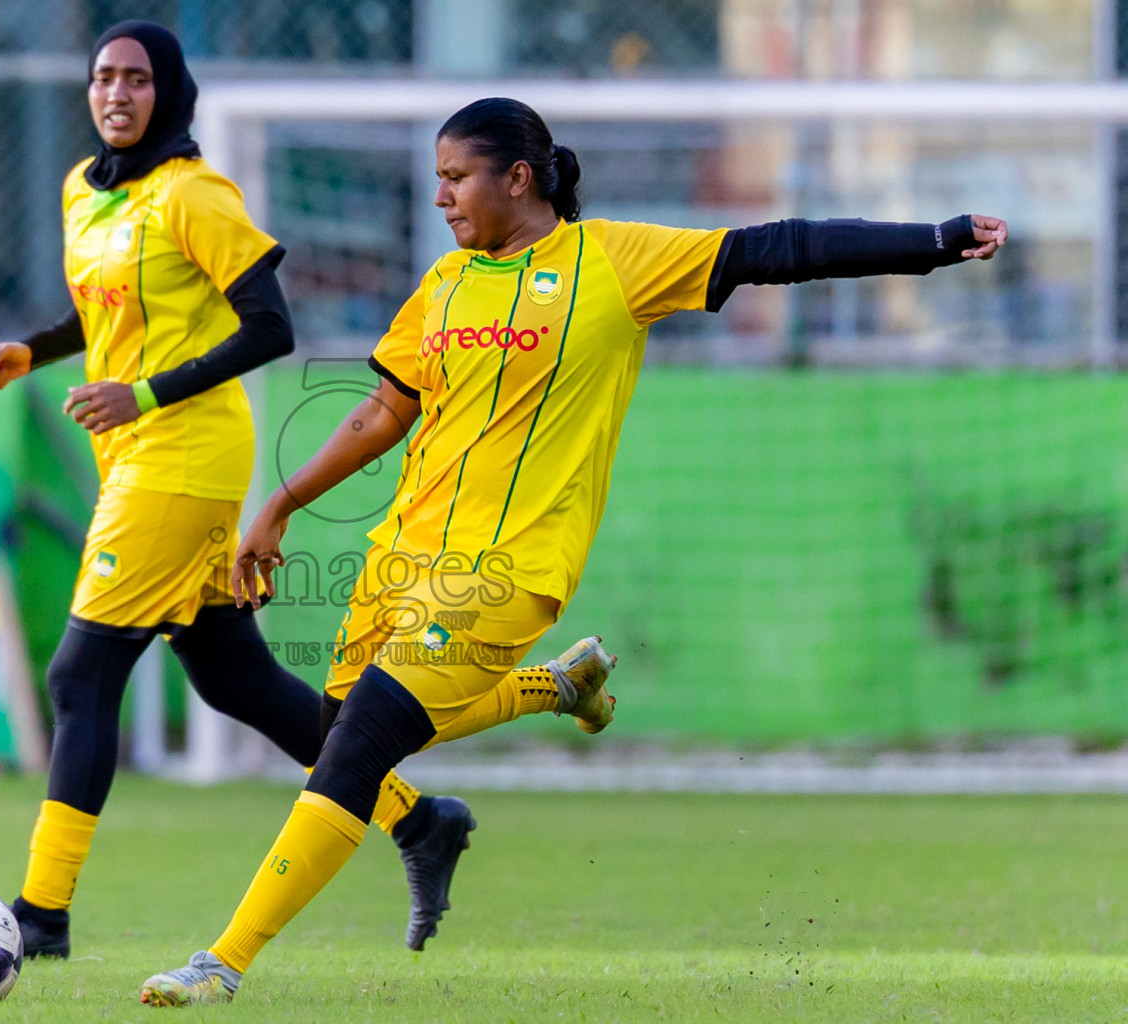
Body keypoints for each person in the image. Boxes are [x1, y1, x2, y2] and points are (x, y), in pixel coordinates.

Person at [138, 96, 1008, 1006]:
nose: (440, 197)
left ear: (519, 178)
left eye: (456, 177)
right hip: (401, 560)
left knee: (354, 756)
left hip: (508, 573)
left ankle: (220, 965)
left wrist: (933, 240)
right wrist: (280, 504)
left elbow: (778, 248)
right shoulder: (444, 283)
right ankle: (557, 687)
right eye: (436, 179)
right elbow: (384, 411)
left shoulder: (613, 263)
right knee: (340, 738)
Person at [0, 29, 612, 960]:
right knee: (236, 679)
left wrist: (144, 393)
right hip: (128, 451)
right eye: (103, 76)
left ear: (169, 91)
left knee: (79, 674)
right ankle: (418, 819)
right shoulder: (83, 188)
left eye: (138, 79)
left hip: (182, 456)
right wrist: (34, 350)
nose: (117, 93)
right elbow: (105, 309)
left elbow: (270, 326)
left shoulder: (194, 193)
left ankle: (41, 917)